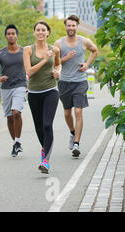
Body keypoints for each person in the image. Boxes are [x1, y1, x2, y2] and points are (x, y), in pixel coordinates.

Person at [54, 15, 98, 158]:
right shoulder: (59, 43)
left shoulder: (84, 41)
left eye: (73, 25)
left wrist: (87, 64)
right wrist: (64, 59)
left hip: (80, 82)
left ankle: (77, 144)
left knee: (78, 112)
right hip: (64, 82)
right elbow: (53, 62)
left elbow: (95, 50)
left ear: (77, 26)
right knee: (67, 113)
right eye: (69, 25)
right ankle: (72, 133)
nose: (71, 28)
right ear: (65, 26)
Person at [23, 20, 61, 174]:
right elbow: (29, 71)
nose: (40, 32)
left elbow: (58, 64)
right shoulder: (28, 50)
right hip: (33, 93)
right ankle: (44, 149)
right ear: (34, 33)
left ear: (48, 33)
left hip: (51, 90)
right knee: (39, 127)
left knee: (47, 125)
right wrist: (45, 59)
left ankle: (45, 161)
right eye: (37, 30)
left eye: (43, 30)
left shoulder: (55, 49)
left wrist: (58, 72)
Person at [0, 24, 27, 157]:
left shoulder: (24, 52)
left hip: (20, 86)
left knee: (16, 112)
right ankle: (15, 144)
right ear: (6, 36)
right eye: (8, 33)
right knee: (10, 117)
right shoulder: (0, 54)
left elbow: (31, 66)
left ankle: (18, 141)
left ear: (17, 35)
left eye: (13, 33)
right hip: (6, 88)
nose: (11, 35)